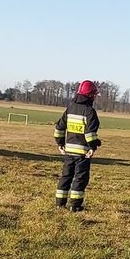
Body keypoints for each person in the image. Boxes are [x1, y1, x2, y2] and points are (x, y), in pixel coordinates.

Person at [54, 80, 102, 212]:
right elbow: (90, 134)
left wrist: (60, 143)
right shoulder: (89, 112)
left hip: (69, 151)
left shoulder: (70, 108)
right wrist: (93, 147)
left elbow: (59, 128)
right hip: (82, 153)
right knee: (80, 178)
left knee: (66, 176)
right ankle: (75, 205)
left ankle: (60, 203)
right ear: (91, 95)